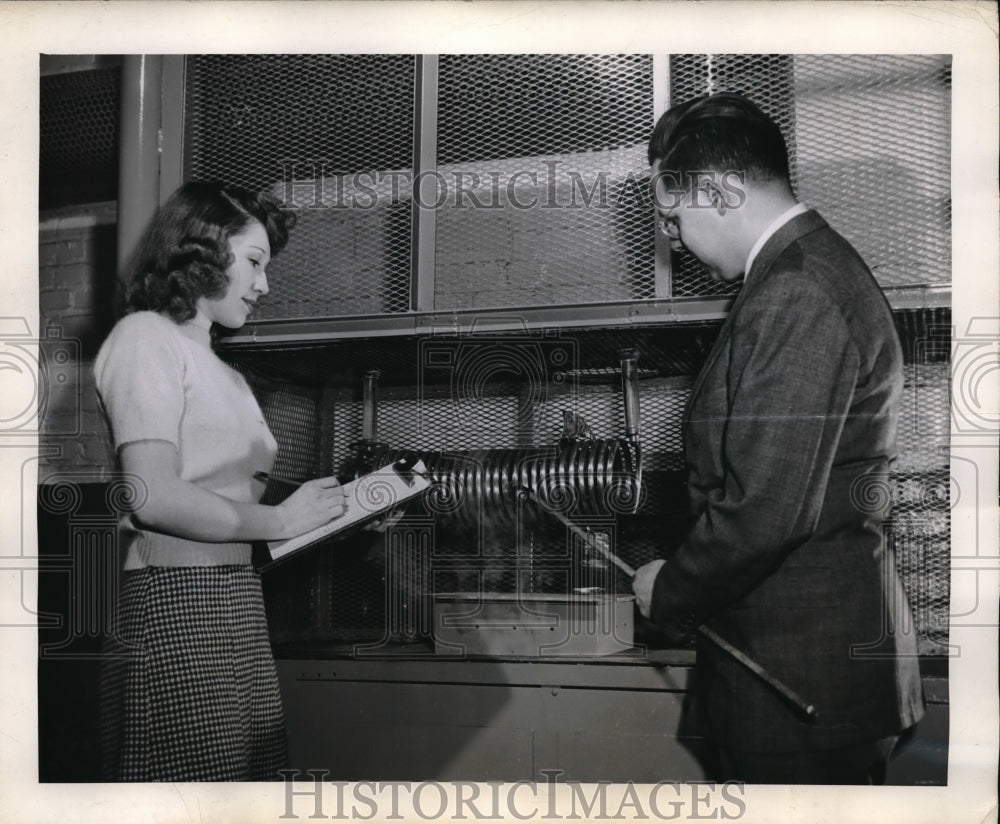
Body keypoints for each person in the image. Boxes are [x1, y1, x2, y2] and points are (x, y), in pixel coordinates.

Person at [632, 93, 925, 784]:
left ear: (723, 192)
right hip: (799, 670)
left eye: (675, 218)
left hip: (798, 679)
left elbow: (764, 512)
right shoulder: (801, 274)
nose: (673, 239)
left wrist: (671, 590)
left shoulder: (798, 291)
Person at [95, 181, 346, 781]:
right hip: (175, 594)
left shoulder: (225, 373)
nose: (265, 285)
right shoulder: (144, 337)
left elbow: (233, 504)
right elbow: (152, 494)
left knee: (237, 785)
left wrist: (339, 509)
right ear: (203, 251)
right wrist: (284, 520)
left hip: (235, 594)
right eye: (254, 262)